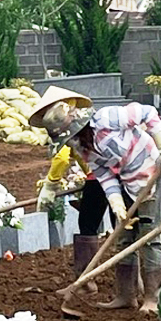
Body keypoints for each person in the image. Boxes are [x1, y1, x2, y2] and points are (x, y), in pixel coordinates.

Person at [38, 99, 161, 312]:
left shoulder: (106, 118)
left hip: (153, 175)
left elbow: (147, 112)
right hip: (128, 182)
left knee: (150, 237)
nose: (70, 143)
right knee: (123, 238)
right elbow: (104, 176)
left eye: (70, 138)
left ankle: (152, 299)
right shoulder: (85, 149)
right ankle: (126, 296)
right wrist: (117, 203)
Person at [30, 86, 109, 294]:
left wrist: (50, 185)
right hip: (107, 174)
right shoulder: (80, 118)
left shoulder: (69, 124)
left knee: (87, 225)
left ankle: (86, 282)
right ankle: (132, 286)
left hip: (101, 176)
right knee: (126, 228)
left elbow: (62, 157)